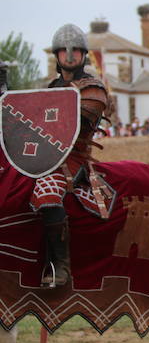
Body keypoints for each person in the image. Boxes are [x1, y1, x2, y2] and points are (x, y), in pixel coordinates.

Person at [30, 24, 109, 287]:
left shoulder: (93, 88)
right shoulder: (49, 88)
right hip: (41, 155)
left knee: (48, 193)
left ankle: (59, 267)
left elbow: (79, 123)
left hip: (71, 157)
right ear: (57, 55)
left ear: (84, 54)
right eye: (64, 51)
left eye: (75, 50)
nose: (70, 55)